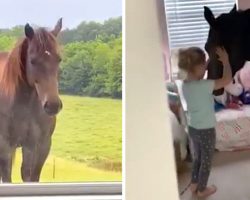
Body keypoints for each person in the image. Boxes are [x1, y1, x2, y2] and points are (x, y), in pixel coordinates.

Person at [178, 46, 232, 197]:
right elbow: (227, 80)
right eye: (203, 65)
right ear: (198, 68)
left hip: (194, 128)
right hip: (207, 130)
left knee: (198, 158)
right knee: (206, 161)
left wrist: (206, 63)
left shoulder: (185, 85)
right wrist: (226, 62)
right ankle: (202, 189)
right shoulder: (206, 86)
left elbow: (196, 75)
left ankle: (194, 184)